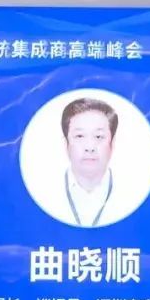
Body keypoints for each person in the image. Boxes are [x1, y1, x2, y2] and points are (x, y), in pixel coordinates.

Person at [60, 97, 118, 227]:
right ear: (66, 144)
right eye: (79, 136)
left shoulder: (133, 194)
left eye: (98, 136)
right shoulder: (44, 193)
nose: (90, 147)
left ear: (112, 144)